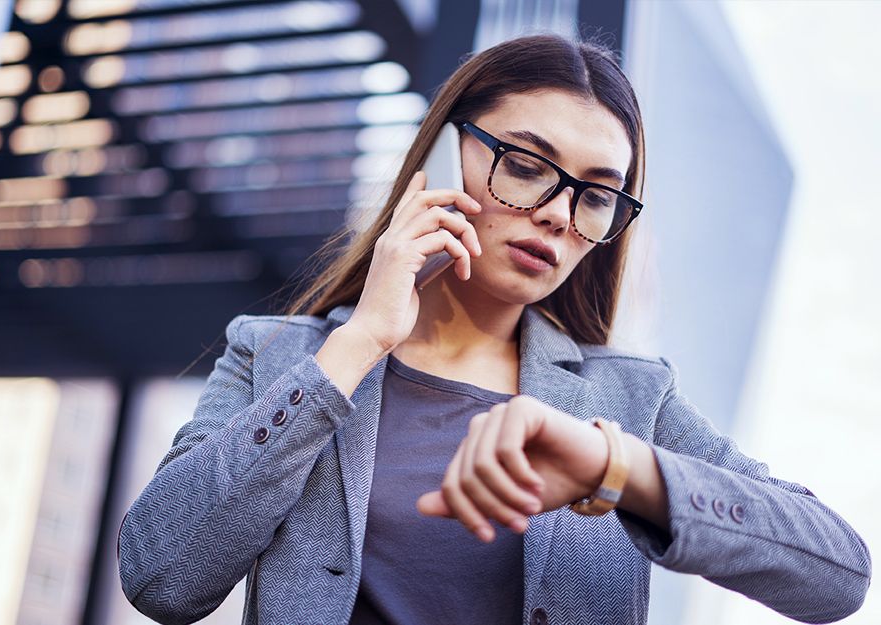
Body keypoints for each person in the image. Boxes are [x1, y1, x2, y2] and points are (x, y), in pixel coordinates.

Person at [117, 33, 871, 625]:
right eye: (524, 163)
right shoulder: (275, 352)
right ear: (447, 156)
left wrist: (614, 467)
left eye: (596, 195)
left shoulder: (632, 397)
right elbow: (161, 576)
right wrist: (358, 341)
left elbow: (838, 571)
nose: (556, 211)